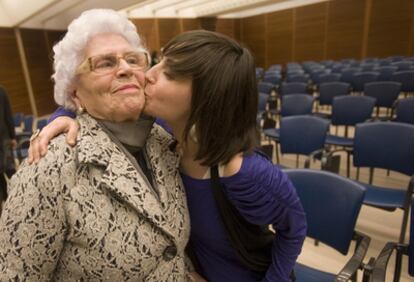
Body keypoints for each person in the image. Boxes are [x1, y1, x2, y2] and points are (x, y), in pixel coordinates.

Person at [28, 30, 307, 281]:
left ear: (204, 100)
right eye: (158, 61)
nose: (148, 73)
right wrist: (63, 114)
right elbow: (94, 99)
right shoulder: (161, 133)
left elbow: (294, 228)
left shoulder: (247, 173)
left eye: (169, 74)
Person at [0, 9, 194, 281]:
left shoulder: (165, 142)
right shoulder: (47, 169)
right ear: (74, 91)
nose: (125, 69)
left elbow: (170, 243)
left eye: (132, 59)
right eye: (104, 63)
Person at [0, 85, 16, 204]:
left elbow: (8, 115)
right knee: (7, 175)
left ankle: (15, 197)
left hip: (4, 139)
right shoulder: (2, 91)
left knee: (9, 172)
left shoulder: (2, 91)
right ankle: (11, 201)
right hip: (4, 138)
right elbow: (8, 115)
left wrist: (12, 137)